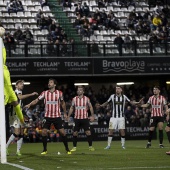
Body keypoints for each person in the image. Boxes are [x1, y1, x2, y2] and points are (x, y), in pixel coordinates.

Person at [24, 78, 71, 155]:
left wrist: (65, 113)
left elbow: (63, 103)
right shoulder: (45, 93)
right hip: (47, 116)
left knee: (63, 133)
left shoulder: (59, 93)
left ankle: (67, 148)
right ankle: (45, 149)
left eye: (51, 82)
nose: (49, 83)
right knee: (44, 132)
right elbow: (36, 100)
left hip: (57, 116)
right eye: (49, 82)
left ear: (54, 84)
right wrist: (29, 104)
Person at [99, 85, 142, 149]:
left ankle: (123, 145)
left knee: (122, 131)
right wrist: (101, 105)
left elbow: (131, 102)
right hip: (113, 117)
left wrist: (137, 102)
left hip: (121, 117)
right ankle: (108, 145)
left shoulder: (124, 97)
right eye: (116, 89)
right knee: (111, 130)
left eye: (118, 89)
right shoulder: (112, 96)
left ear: (121, 90)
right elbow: (107, 102)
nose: (117, 90)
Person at [1, 26, 25, 131]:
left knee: (16, 104)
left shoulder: (4, 65)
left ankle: (22, 122)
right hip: (4, 88)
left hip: (8, 88)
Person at [6, 80, 38, 156]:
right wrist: (31, 94)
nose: (22, 85)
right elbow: (20, 97)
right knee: (17, 132)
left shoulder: (19, 93)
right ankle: (5, 147)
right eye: (20, 84)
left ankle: (18, 151)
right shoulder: (16, 92)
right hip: (14, 115)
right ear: (16, 86)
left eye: (23, 84)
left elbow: (19, 106)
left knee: (21, 133)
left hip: (18, 115)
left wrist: (24, 112)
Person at [67, 86, 95, 152]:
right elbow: (71, 108)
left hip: (85, 118)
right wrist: (68, 116)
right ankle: (74, 147)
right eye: (78, 90)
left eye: (80, 90)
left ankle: (90, 147)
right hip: (77, 119)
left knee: (88, 132)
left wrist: (92, 116)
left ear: (83, 91)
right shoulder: (74, 99)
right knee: (75, 133)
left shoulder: (86, 99)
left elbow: (90, 107)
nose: (79, 91)